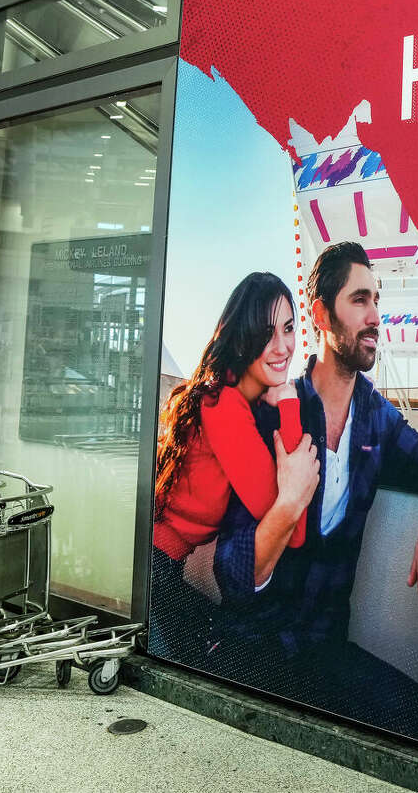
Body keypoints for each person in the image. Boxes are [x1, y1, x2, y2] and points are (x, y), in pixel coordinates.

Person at [209, 242, 418, 745]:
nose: (376, 316)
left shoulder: (378, 418)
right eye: (359, 300)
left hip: (323, 650)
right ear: (321, 315)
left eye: (377, 300)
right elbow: (232, 565)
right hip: (251, 646)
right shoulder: (271, 411)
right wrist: (287, 509)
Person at [150, 272, 319, 660]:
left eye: (289, 328)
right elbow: (294, 529)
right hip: (159, 573)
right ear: (243, 338)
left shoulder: (236, 401)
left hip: (171, 569)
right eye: (266, 333)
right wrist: (290, 402)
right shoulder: (223, 406)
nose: (282, 347)